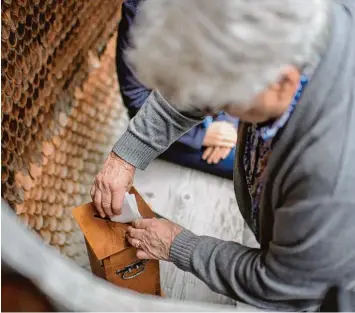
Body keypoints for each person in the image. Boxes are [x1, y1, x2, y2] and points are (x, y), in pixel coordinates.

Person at [91, 0, 355, 311]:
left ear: (281, 84)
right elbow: (203, 77)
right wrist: (127, 155)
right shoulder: (289, 16)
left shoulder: (331, 179)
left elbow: (284, 287)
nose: (211, 111)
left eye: (221, 104)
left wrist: (180, 245)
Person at [116, 0, 239, 180]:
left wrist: (228, 120)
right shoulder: (142, 13)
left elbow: (241, 64)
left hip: (225, 108)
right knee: (248, 165)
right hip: (172, 130)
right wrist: (200, 135)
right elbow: (136, 96)